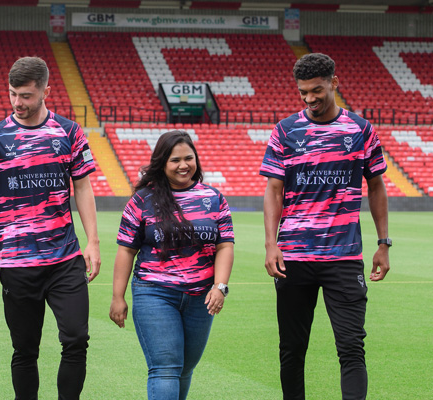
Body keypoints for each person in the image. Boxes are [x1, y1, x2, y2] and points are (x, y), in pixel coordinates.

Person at [0, 56, 101, 400]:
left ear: (45, 91)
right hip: (16, 261)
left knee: (76, 339)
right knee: (25, 350)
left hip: (65, 258)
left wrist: (93, 242)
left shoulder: (69, 132)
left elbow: (83, 187)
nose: (17, 103)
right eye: (13, 94)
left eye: (26, 95)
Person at [260, 53, 391, 400]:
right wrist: (271, 244)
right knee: (292, 350)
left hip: (344, 258)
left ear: (334, 82)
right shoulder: (285, 131)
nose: (309, 99)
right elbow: (273, 190)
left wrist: (383, 242)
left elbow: (376, 185)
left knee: (351, 347)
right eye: (303, 92)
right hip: (294, 258)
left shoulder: (361, 130)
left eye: (317, 90)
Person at [109, 130, 235, 400]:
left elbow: (225, 245)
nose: (183, 165)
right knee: (166, 369)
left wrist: (220, 287)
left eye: (189, 158)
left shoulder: (214, 199)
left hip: (201, 297)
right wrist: (117, 297)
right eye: (175, 160)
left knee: (185, 369)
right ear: (162, 163)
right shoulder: (142, 200)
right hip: (154, 293)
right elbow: (126, 251)